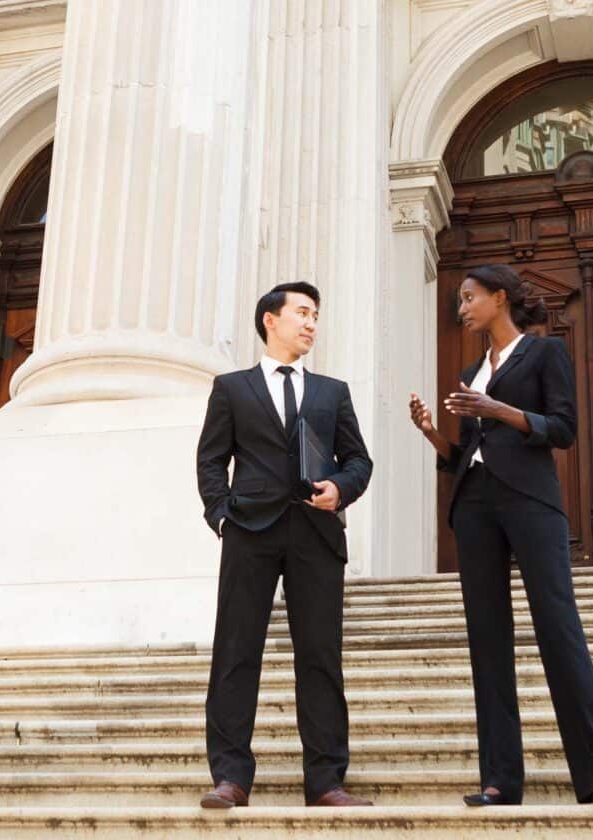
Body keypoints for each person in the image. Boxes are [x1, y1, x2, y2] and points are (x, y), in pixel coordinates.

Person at [407, 263, 593, 808]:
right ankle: (500, 779)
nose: (461, 307)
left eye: (468, 297)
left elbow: (563, 428)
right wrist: (433, 431)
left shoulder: (545, 354)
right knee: (487, 641)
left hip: (531, 501)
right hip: (475, 504)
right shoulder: (471, 368)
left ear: (499, 297)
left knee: (558, 629)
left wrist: (497, 408)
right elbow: (463, 456)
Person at [195, 281, 375, 808]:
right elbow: (210, 459)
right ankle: (230, 777)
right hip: (249, 531)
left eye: (316, 314)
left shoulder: (332, 391)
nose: (312, 322)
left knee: (320, 656)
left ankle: (326, 781)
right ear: (270, 319)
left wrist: (340, 488)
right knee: (235, 653)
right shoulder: (231, 387)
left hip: (317, 534)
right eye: (302, 312)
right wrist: (221, 515)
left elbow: (358, 460)